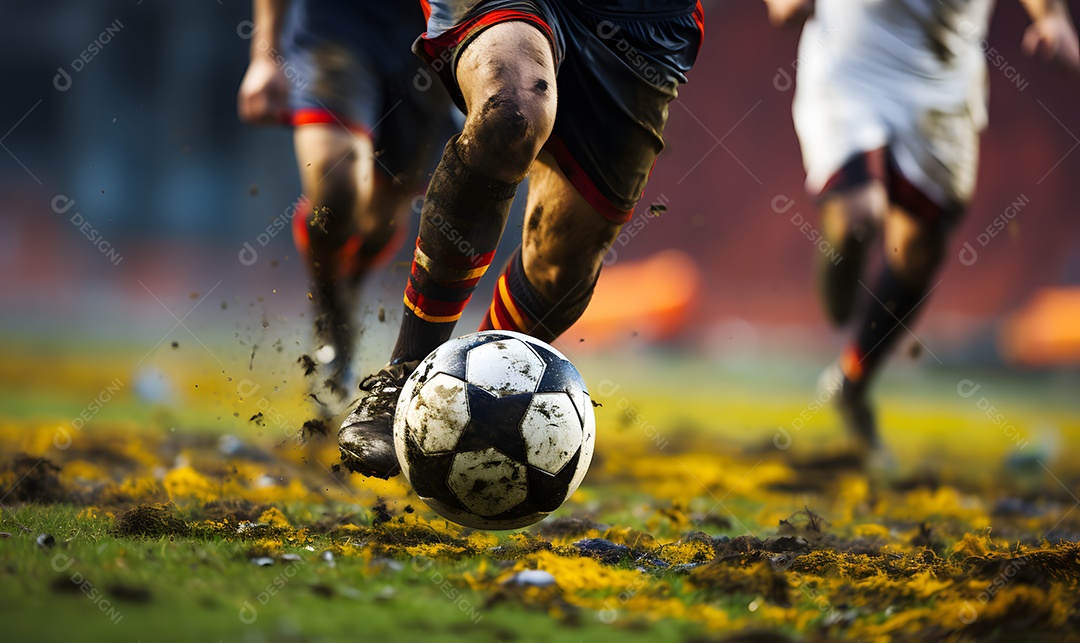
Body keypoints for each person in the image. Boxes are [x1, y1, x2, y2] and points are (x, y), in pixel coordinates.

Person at [337, 0, 705, 478]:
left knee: (562, 262)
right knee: (510, 112)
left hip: (643, 19)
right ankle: (405, 379)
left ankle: (474, 392)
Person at [763, 0, 1079, 459]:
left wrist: (1051, 17)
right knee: (860, 217)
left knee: (918, 252)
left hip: (941, 83)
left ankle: (852, 380)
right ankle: (839, 279)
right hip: (851, 63)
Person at [238, 0, 456, 408]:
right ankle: (331, 315)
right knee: (337, 187)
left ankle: (346, 296)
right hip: (334, 24)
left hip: (431, 32)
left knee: (380, 223)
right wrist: (264, 56)